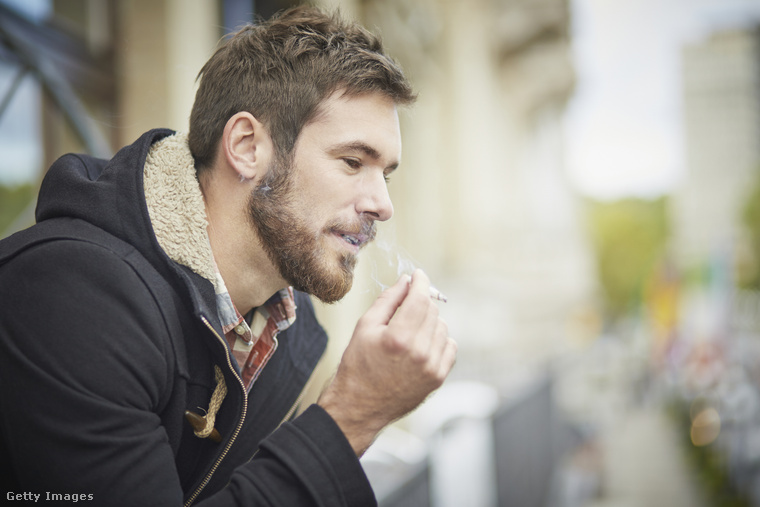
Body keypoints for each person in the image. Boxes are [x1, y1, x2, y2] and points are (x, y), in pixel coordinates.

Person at [0, 6, 456, 506]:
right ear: (245, 146)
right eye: (353, 162)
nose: (383, 205)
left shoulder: (288, 335)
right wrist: (354, 413)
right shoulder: (70, 298)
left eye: (384, 174)